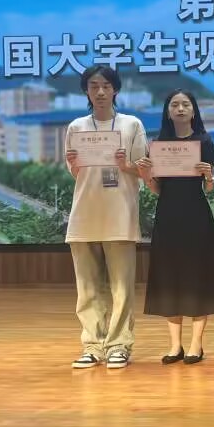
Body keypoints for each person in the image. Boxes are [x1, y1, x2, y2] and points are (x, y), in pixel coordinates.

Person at [63, 65, 148, 370]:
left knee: (121, 287)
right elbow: (76, 174)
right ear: (86, 91)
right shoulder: (76, 127)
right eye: (94, 86)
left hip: (120, 214)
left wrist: (126, 166)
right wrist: (74, 164)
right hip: (84, 214)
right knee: (87, 287)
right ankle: (92, 345)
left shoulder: (131, 124)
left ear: (115, 90)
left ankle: (119, 345)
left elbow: (144, 169)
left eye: (106, 86)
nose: (100, 92)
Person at [138, 90, 214, 365]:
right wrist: (146, 176)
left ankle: (196, 344)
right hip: (167, 216)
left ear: (193, 110)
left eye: (185, 104)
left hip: (196, 216)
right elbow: (157, 189)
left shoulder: (204, 142)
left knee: (197, 276)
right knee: (169, 276)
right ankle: (175, 345)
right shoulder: (159, 144)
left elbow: (209, 189)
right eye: (174, 104)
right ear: (167, 111)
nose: (180, 108)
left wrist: (208, 176)